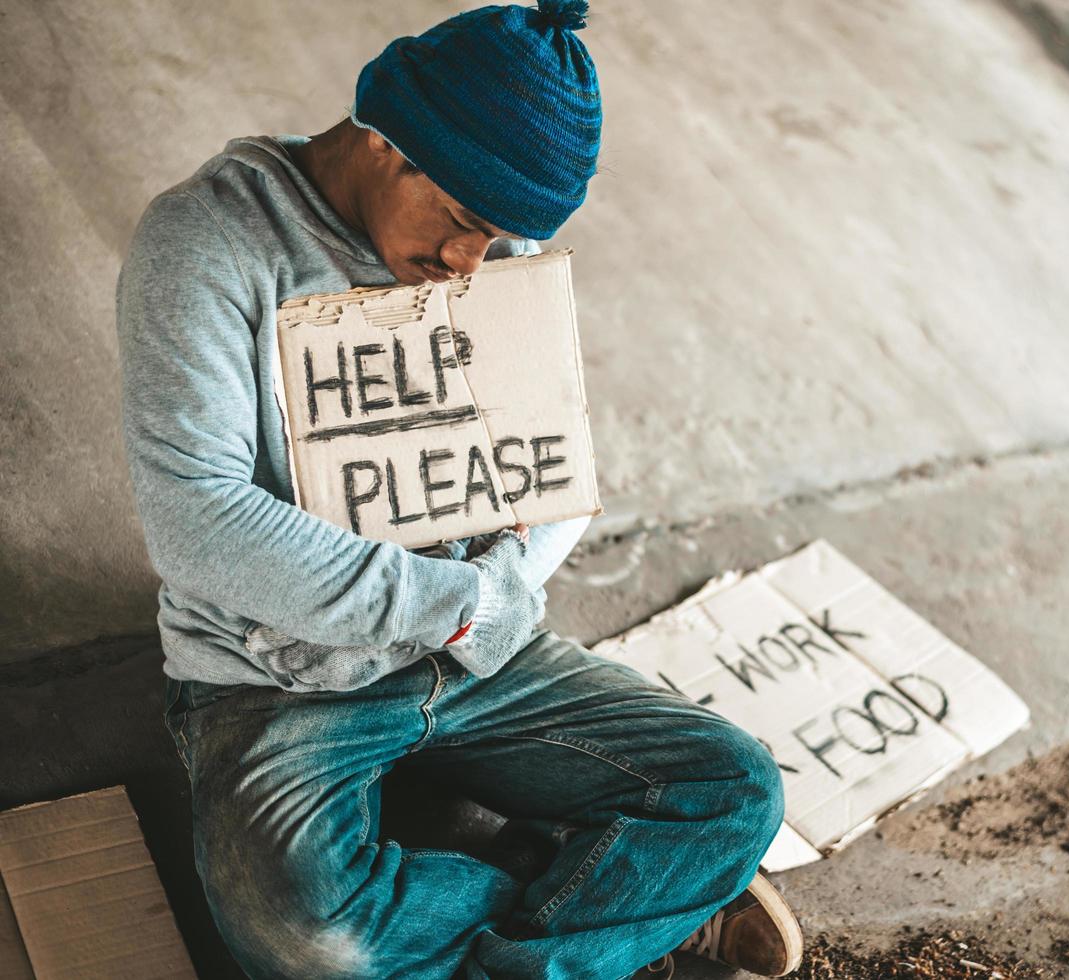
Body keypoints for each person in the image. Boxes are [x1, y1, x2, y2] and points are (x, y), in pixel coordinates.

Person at [114, 2, 803, 977]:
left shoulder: (492, 252)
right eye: (467, 223)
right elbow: (195, 519)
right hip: (279, 676)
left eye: (504, 238)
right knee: (303, 935)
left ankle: (538, 932)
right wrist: (457, 600)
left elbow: (553, 467)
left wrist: (505, 578)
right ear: (389, 143)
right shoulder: (211, 244)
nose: (471, 265)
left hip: (482, 653)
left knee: (738, 788)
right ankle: (594, 895)